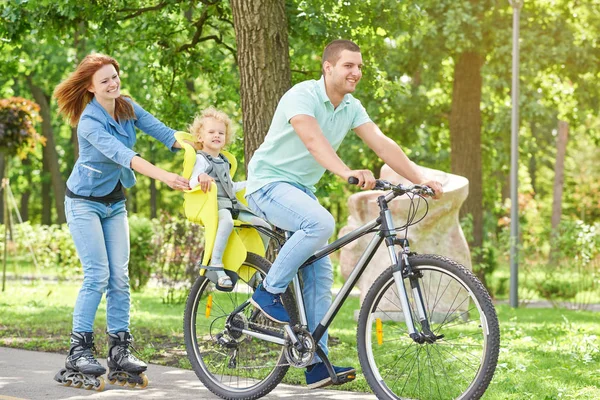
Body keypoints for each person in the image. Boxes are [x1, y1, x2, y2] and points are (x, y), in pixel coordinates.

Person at [245, 39, 443, 389]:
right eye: (349, 65)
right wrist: (346, 172)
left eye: (360, 67)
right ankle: (268, 291)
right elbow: (312, 141)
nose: (357, 72)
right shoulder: (302, 95)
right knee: (320, 223)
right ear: (328, 68)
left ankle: (314, 362)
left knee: (321, 273)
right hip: (268, 184)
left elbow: (381, 142)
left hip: (300, 191)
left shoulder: (350, 106)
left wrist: (420, 178)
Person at [52, 53, 190, 389]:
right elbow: (123, 155)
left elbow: (164, 132)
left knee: (120, 277)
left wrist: (197, 144)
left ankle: (119, 350)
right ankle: (78, 350)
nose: (113, 84)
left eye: (115, 77)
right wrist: (165, 176)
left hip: (114, 203)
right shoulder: (89, 122)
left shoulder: (126, 106)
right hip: (83, 203)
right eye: (105, 80)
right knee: (97, 274)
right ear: (90, 87)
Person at [188, 107, 271, 289]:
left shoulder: (224, 161)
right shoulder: (201, 159)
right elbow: (191, 181)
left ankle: (252, 269)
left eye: (221, 133)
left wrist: (251, 183)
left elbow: (230, 187)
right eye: (211, 132)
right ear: (200, 137)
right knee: (226, 222)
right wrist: (200, 177)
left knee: (264, 226)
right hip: (214, 205)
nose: (216, 135)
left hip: (232, 204)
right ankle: (216, 263)